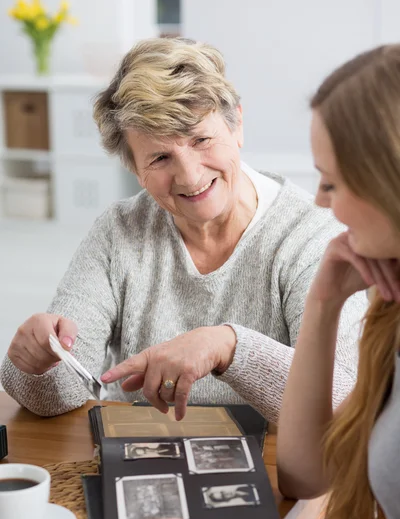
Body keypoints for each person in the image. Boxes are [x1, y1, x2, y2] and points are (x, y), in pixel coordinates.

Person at [96, 45, 400, 519]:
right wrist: (324, 301)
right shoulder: (384, 301)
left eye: (333, 181)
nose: (322, 205)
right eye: (321, 180)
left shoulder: (303, 232)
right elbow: (309, 477)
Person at [0, 37, 364, 421]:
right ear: (134, 170)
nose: (190, 176)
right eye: (160, 157)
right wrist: (35, 365)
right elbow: (62, 396)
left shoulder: (311, 236)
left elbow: (344, 404)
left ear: (236, 124)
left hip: (273, 469)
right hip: (138, 458)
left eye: (201, 139)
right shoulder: (118, 232)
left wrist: (229, 347)